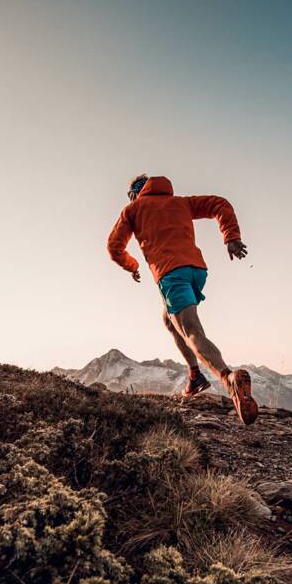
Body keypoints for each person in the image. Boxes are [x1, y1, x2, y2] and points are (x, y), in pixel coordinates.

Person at [106, 173, 258, 425]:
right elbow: (219, 203)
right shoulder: (181, 203)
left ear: (135, 193)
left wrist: (131, 265)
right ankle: (195, 376)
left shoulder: (133, 209)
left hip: (170, 273)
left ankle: (228, 379)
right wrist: (231, 237)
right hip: (196, 270)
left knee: (191, 331)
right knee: (168, 320)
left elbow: (114, 246)